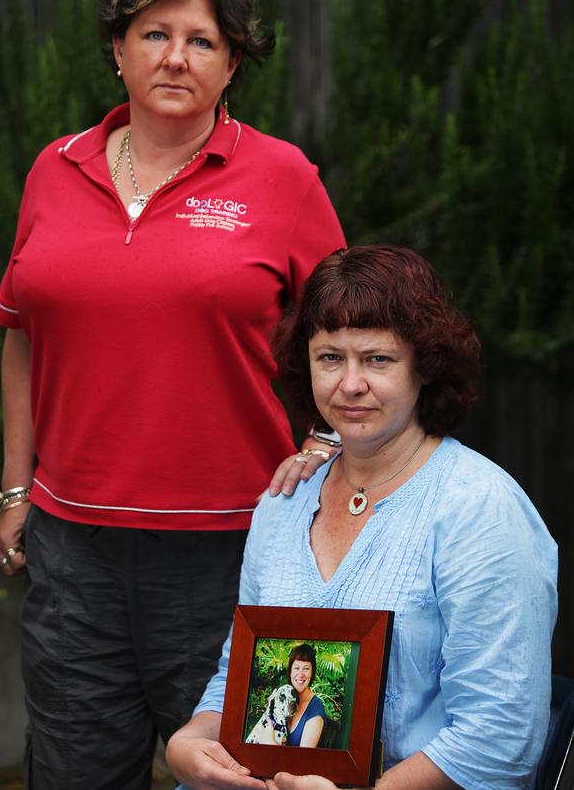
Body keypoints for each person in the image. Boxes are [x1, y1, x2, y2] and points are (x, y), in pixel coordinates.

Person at [0, 0, 344, 790]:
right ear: (118, 50)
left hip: (238, 552)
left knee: (249, 775)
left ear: (231, 67)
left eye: (204, 40)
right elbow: (21, 332)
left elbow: (350, 333)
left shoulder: (281, 178)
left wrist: (327, 451)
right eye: (155, 33)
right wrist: (13, 489)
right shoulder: (55, 167)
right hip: (74, 560)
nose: (176, 57)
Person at [166, 245, 558, 790]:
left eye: (377, 359)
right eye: (331, 357)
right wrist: (187, 744)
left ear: (425, 366)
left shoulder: (479, 510)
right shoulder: (283, 504)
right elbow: (239, 680)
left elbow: (500, 736)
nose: (350, 384)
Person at [285, 644, 326, 748]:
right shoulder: (284, 696)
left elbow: (303, 759)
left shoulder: (315, 709)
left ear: (312, 672)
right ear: (290, 672)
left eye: (306, 668)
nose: (300, 674)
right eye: (296, 668)